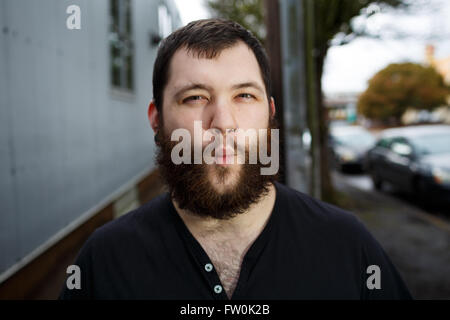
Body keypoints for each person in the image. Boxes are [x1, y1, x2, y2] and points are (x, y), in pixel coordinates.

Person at [59, 18, 412, 300]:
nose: (223, 122)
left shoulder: (348, 246)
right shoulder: (105, 261)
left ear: (270, 113)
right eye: (195, 98)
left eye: (244, 95)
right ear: (157, 119)